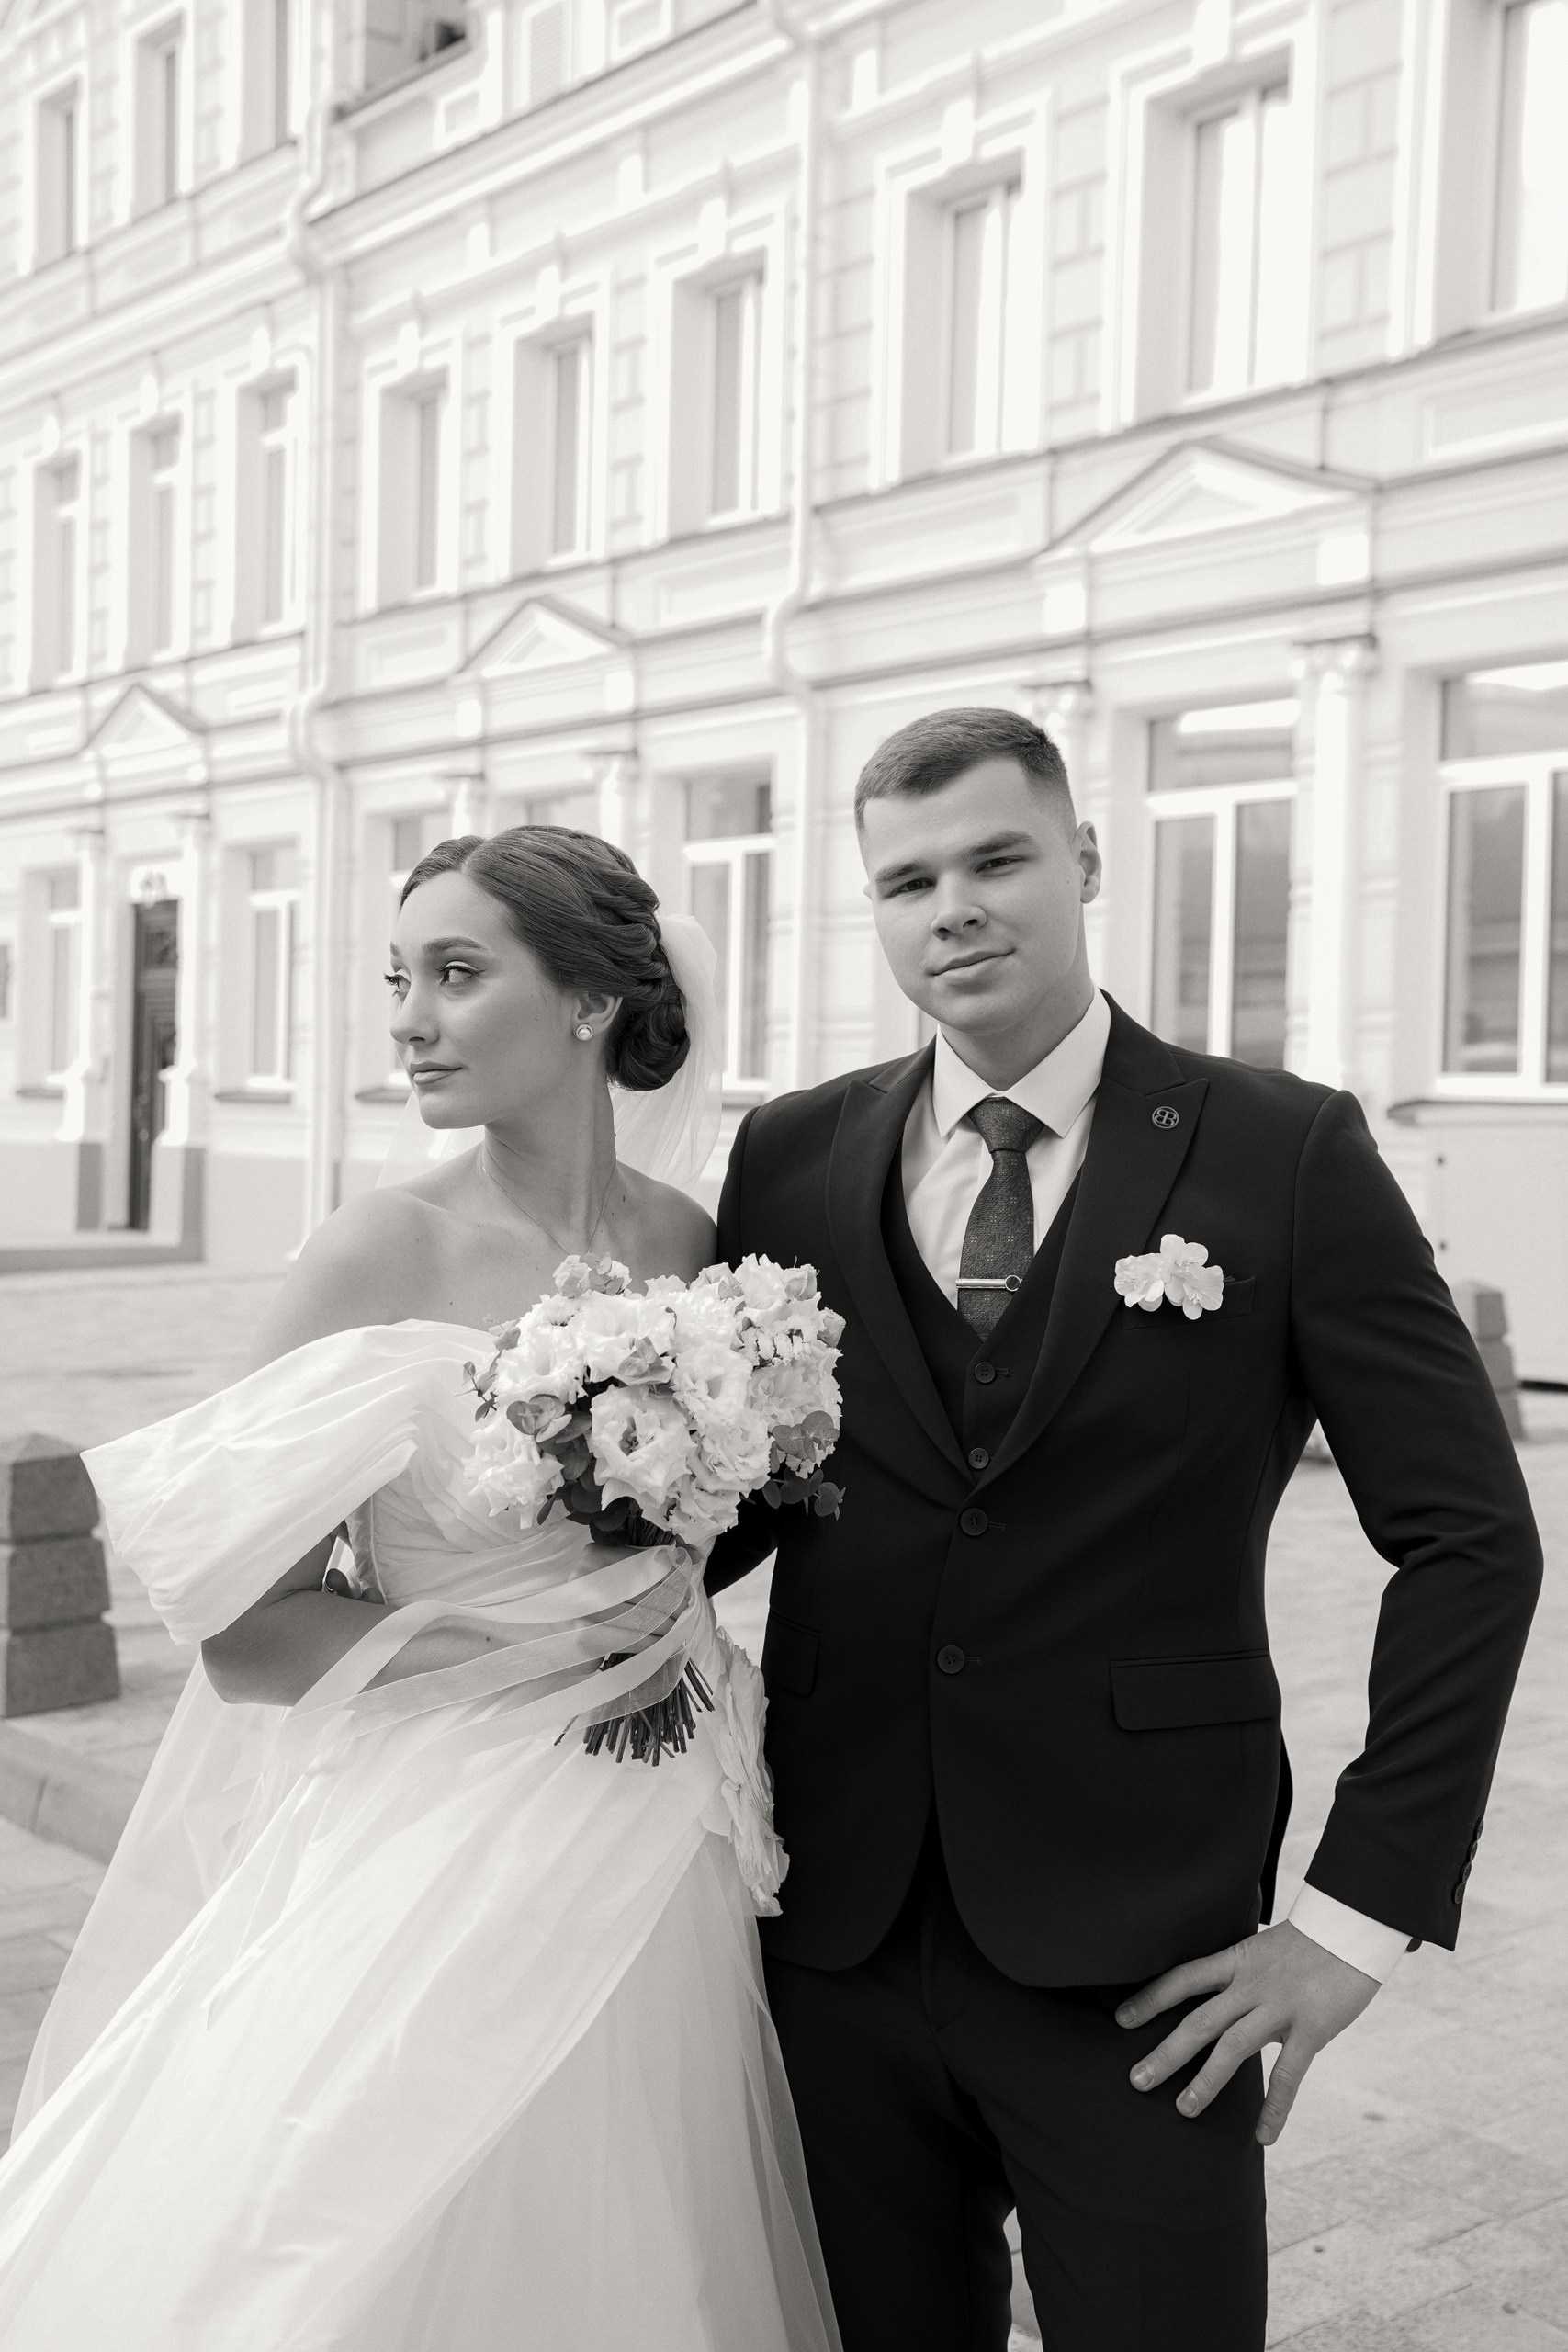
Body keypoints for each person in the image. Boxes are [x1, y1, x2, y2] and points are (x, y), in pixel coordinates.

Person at [705, 706, 1542, 2352]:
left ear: (1084, 861)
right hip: (833, 1928)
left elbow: (1470, 1539)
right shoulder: (792, 1155)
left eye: (996, 860)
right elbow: (737, 1503)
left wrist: (1352, 1920)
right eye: (907, 882)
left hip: (1143, 1960)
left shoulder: (1285, 1150)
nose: (953, 909)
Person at [0, 826, 840, 2352]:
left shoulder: (690, 1247)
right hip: (439, 1829)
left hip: (662, 1822)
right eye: (400, 980)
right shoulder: (377, 1251)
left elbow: (697, 1526)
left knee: (638, 2225)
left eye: (456, 975)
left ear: (589, 1002)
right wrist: (524, 1642)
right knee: (349, 2224)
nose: (409, 1020)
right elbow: (244, 1635)